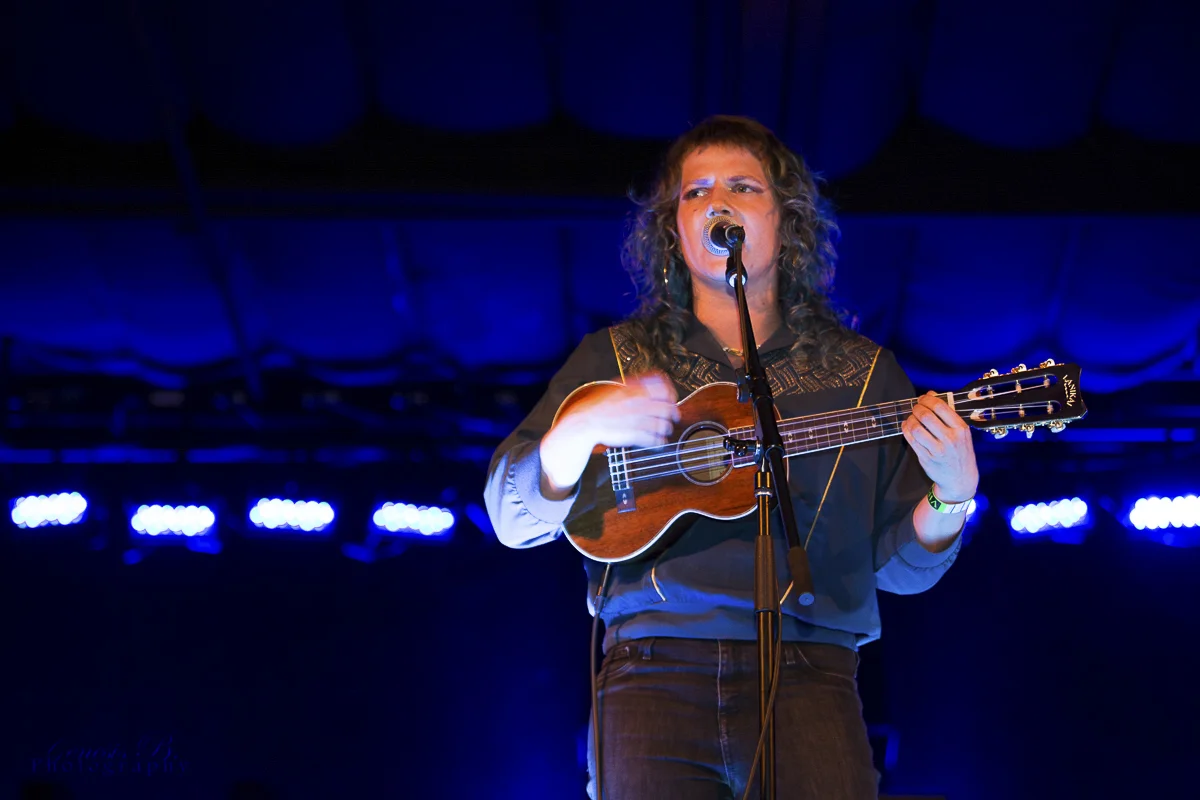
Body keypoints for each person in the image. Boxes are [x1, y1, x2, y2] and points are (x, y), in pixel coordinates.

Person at [483, 115, 978, 800]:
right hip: (650, 673)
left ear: (786, 220)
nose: (716, 203)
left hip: (812, 671)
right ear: (674, 233)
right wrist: (575, 431)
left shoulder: (864, 376)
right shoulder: (616, 358)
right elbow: (513, 520)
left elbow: (898, 567)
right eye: (694, 193)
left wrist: (952, 494)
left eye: (743, 187)